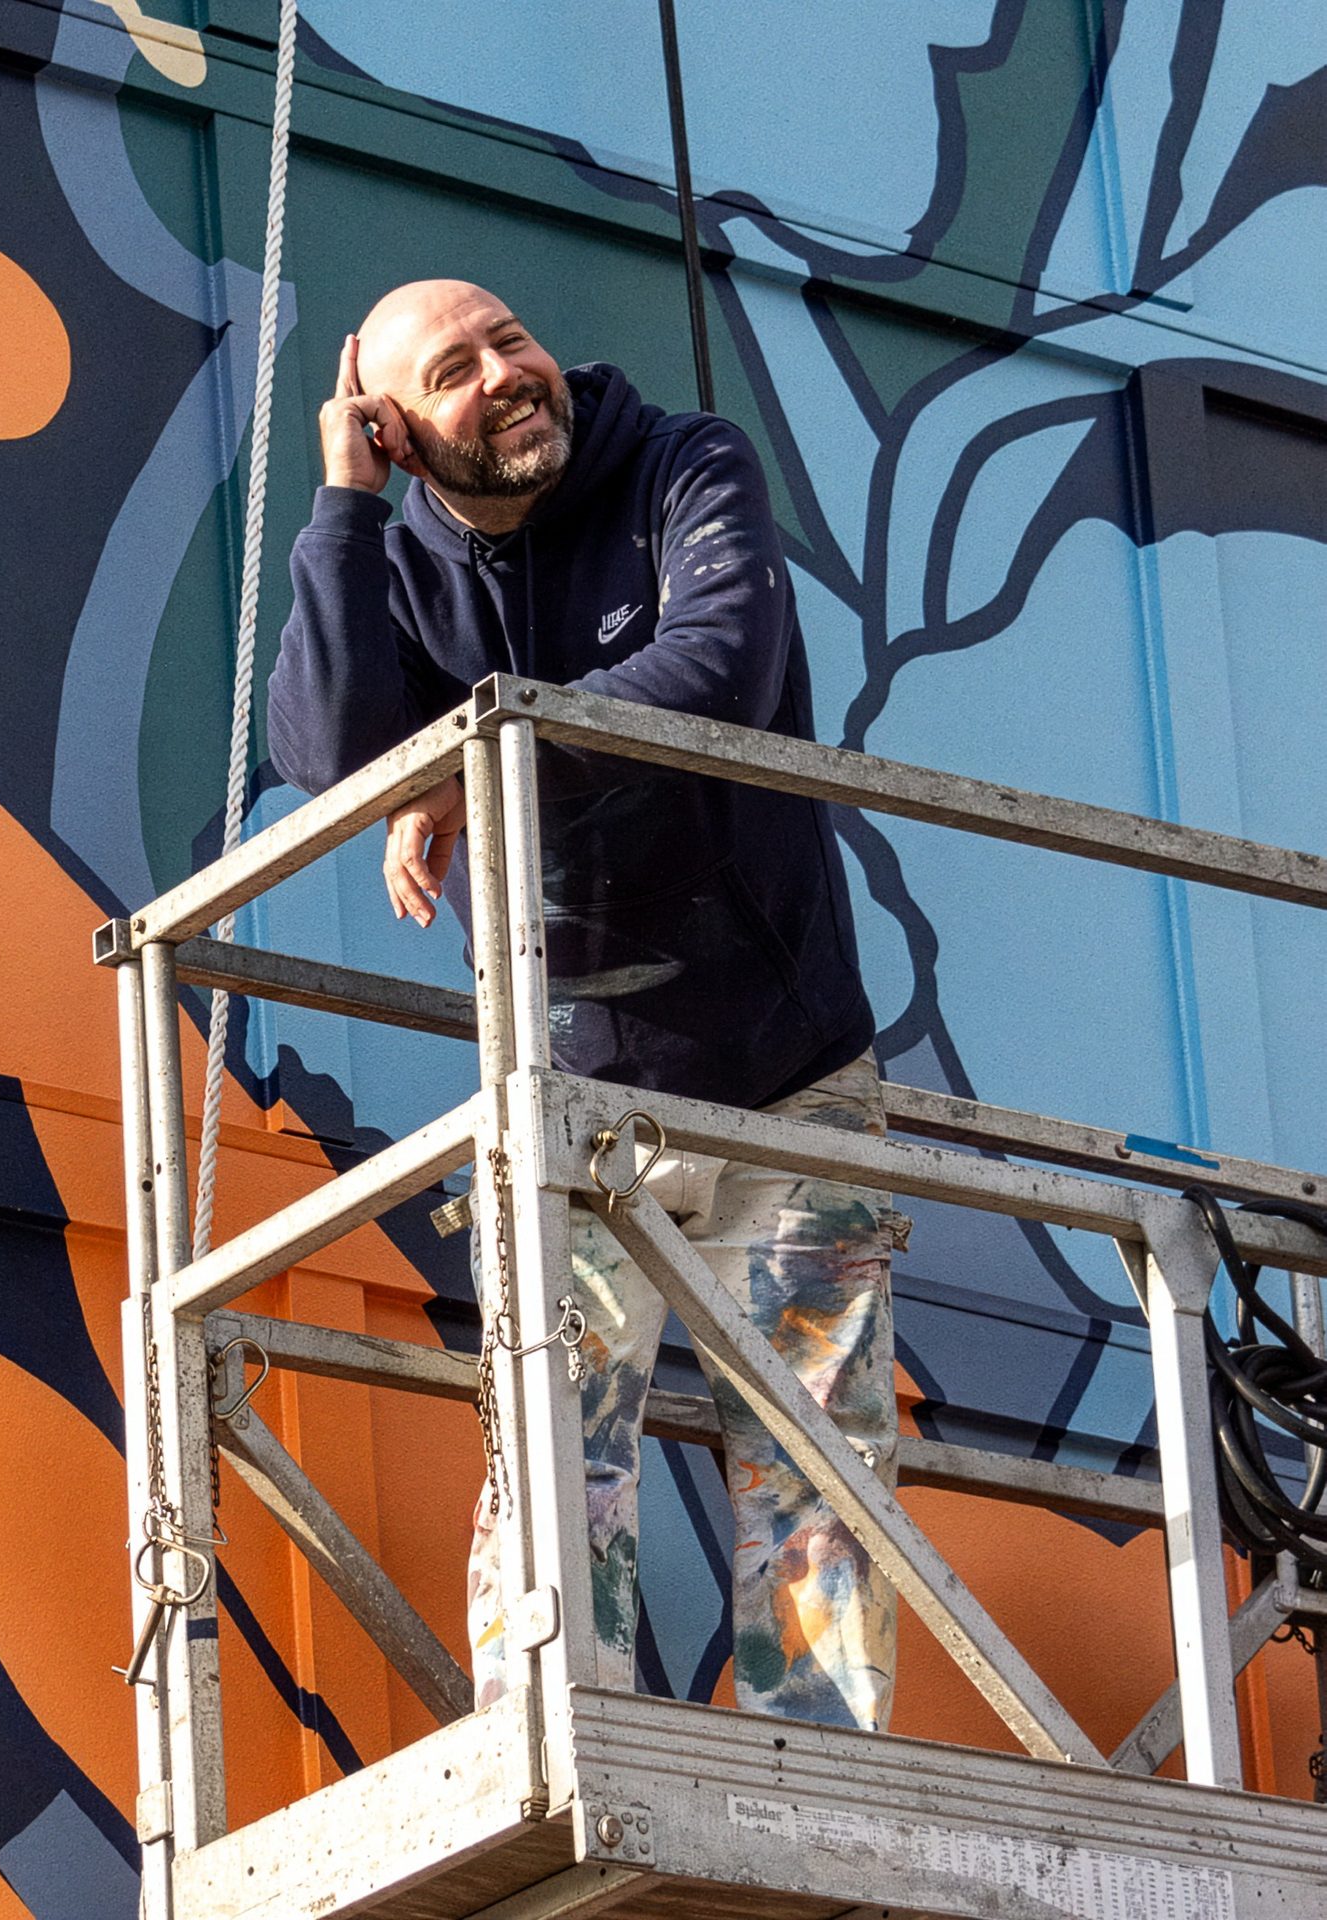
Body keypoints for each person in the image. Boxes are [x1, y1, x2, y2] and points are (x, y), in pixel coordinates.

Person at [268, 280, 898, 1732]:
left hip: (791, 1066)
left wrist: (468, 766)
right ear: (399, 433)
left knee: (818, 1456)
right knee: (554, 1445)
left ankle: (824, 1768)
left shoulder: (685, 462)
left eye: (511, 339)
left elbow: (720, 669)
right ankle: (557, 1740)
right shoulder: (406, 550)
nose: (506, 372)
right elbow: (324, 750)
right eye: (457, 370)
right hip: (574, 1093)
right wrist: (345, 509)